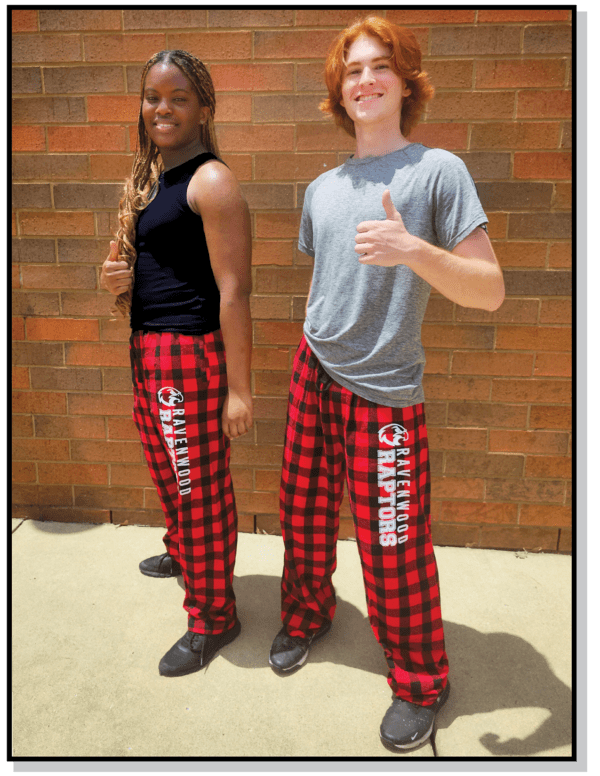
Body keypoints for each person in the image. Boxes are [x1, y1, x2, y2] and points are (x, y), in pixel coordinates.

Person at [268, 16, 505, 751]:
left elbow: (490, 290)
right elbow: (329, 283)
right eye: (352, 70)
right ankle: (307, 615)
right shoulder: (322, 188)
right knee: (302, 514)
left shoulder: (438, 173)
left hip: (386, 391)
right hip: (314, 368)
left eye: (379, 67)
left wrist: (413, 249)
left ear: (405, 83)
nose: (364, 80)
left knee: (393, 542)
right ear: (338, 91)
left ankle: (420, 681)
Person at [101, 50, 252, 678]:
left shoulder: (209, 180)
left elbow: (235, 290)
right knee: (171, 476)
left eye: (179, 97)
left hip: (187, 356)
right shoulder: (148, 178)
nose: (163, 108)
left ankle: (214, 617)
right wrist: (111, 278)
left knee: (199, 490)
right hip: (148, 349)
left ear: (204, 109)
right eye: (152, 96)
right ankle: (186, 554)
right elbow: (135, 269)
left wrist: (239, 390)